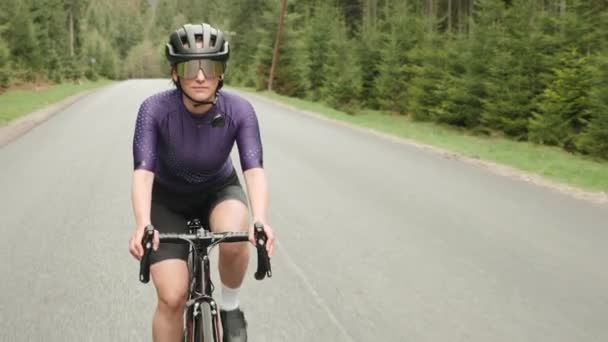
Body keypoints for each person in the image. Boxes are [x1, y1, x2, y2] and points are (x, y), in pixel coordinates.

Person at [128, 23, 275, 342]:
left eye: (209, 66)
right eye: (189, 66)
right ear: (174, 73)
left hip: (218, 191)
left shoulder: (240, 110)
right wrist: (142, 222)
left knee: (236, 239)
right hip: (166, 202)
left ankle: (230, 307)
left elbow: (254, 169)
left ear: (221, 72)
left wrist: (261, 219)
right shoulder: (154, 110)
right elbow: (143, 171)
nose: (199, 76)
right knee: (171, 298)